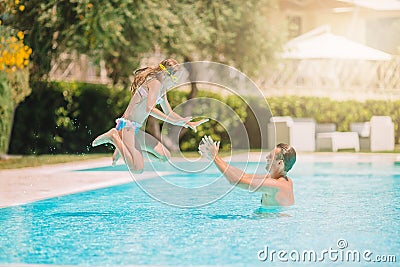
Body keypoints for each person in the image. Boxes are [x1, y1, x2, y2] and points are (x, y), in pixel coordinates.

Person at [92, 58, 208, 173]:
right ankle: (114, 136)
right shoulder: (155, 82)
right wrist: (172, 121)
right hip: (127, 126)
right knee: (137, 169)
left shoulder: (162, 90)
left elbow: (169, 112)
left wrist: (186, 122)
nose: (175, 83)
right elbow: (150, 109)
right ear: (166, 75)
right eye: (175, 79)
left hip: (135, 129)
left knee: (165, 156)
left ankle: (124, 148)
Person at [198, 136, 296, 206]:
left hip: (275, 228)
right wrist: (217, 158)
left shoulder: (276, 185)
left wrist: (215, 157)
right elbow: (244, 176)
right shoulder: (278, 179)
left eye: (270, 157)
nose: (266, 157)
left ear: (280, 163)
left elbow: (235, 181)